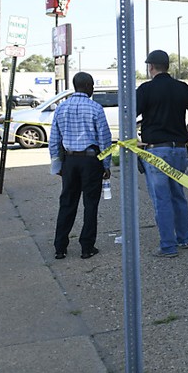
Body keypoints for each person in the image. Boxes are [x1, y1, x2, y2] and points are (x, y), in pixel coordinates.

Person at [136, 49, 188, 258]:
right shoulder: (181, 88)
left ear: (150, 67)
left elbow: (128, 114)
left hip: (155, 151)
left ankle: (168, 247)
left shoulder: (146, 89)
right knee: (178, 195)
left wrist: (135, 140)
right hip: (179, 150)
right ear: (167, 66)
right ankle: (184, 238)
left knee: (162, 199)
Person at [48, 72, 112, 260]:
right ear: (88, 86)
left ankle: (60, 247)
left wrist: (57, 164)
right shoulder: (95, 108)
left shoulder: (61, 108)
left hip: (69, 160)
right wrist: (106, 164)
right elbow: (105, 139)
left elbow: (54, 139)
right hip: (91, 161)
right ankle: (87, 247)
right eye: (92, 86)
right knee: (90, 204)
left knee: (67, 202)